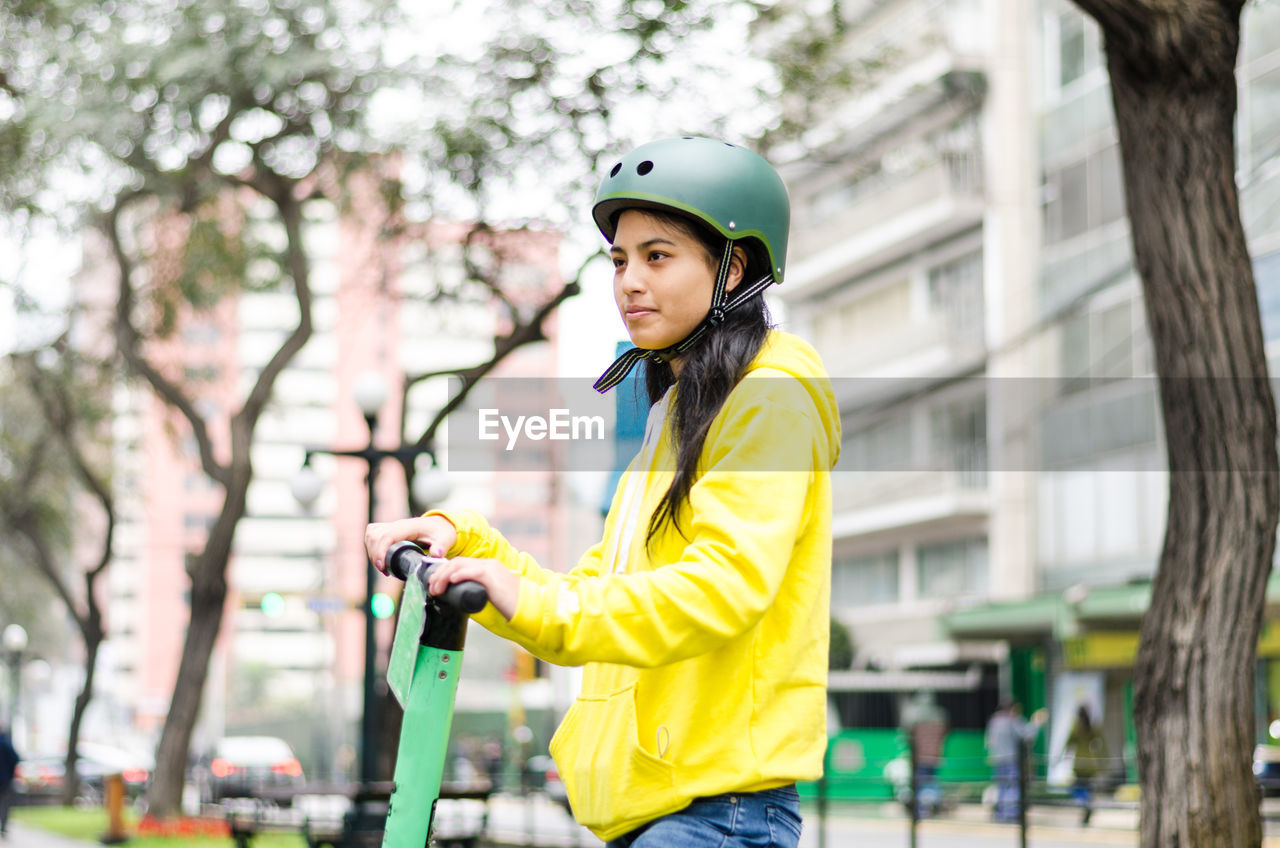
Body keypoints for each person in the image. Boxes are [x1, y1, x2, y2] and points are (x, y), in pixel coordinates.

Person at [366, 136, 840, 847]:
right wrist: (468, 543)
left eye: (658, 256)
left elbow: (721, 588)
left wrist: (529, 594)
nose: (629, 282)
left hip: (716, 814)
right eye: (620, 260)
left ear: (732, 267)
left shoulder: (768, 397)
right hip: (660, 808)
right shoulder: (679, 410)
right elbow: (594, 591)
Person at [985, 699, 1047, 823]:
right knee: (1014, 786)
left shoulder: (994, 721)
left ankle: (1000, 813)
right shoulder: (1012, 721)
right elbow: (1027, 735)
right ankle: (1011, 813)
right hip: (1011, 758)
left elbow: (989, 741)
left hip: (997, 759)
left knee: (1002, 786)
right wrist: (1036, 722)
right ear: (1012, 709)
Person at [899, 691, 948, 817]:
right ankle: (929, 807)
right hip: (934, 756)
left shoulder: (913, 715)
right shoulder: (939, 714)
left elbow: (907, 733)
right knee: (930, 781)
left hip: (919, 757)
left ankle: (922, 808)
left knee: (920, 782)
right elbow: (945, 733)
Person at [1063, 704, 1107, 825]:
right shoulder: (1092, 727)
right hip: (1090, 762)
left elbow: (1068, 743)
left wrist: (1064, 757)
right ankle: (1087, 807)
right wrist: (1102, 759)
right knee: (1087, 788)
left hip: (1079, 762)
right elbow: (1101, 742)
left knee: (1079, 787)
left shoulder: (1076, 727)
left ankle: (1085, 806)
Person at [0, 724, 19, 839]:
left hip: (5, 779)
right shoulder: (6, 744)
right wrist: (10, 773)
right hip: (5, 779)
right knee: (4, 804)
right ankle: (3, 826)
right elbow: (15, 759)